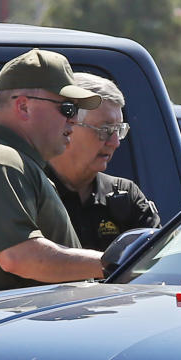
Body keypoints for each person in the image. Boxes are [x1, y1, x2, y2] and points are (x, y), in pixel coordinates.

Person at [0, 48, 106, 297]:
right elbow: (18, 256)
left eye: (76, 111)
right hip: (11, 333)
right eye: (67, 108)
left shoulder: (14, 160)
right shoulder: (2, 162)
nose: (74, 120)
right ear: (23, 107)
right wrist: (109, 263)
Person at [48, 73, 160, 250]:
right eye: (105, 129)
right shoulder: (30, 190)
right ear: (68, 125)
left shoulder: (126, 195)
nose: (114, 143)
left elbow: (155, 264)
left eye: (119, 130)